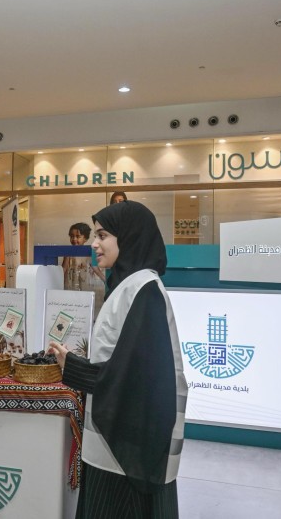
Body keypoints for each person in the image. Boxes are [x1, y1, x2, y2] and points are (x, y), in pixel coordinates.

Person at [47, 201, 187, 518]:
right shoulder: (129, 285)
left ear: (129, 237)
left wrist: (74, 368)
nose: (94, 244)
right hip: (118, 447)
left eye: (103, 235)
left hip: (127, 455)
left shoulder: (143, 289)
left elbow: (138, 375)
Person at [64, 222, 105, 326]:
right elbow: (63, 270)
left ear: (85, 238)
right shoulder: (68, 253)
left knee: (86, 312)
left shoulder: (90, 252)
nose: (74, 239)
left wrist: (105, 280)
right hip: (72, 288)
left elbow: (95, 269)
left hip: (86, 288)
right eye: (72, 236)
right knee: (73, 310)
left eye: (78, 236)